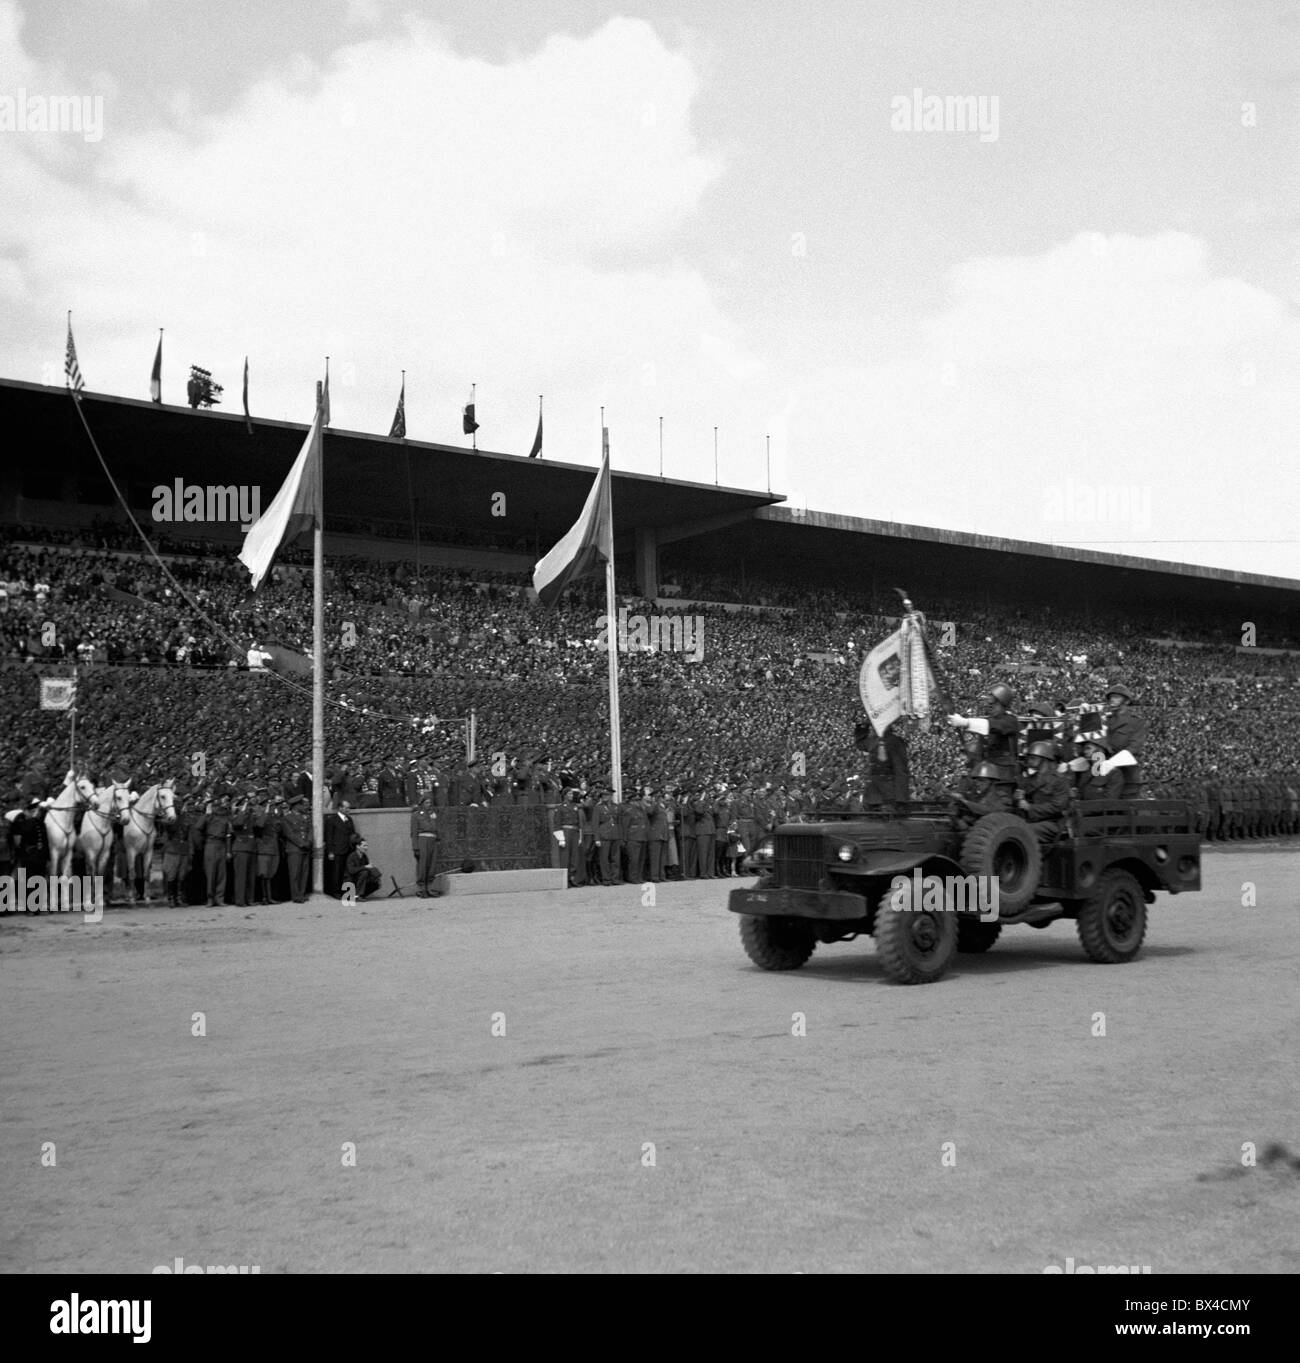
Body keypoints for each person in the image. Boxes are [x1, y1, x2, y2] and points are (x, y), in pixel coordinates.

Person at [947, 683, 1020, 788]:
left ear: (1003, 704)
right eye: (989, 705)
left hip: (1004, 778)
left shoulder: (1011, 721)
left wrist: (965, 722)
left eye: (994, 705)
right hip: (987, 775)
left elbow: (993, 726)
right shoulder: (989, 721)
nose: (990, 707)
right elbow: (980, 753)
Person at [1014, 741, 1071, 847]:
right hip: (1031, 820)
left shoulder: (1060, 780)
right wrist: (1017, 797)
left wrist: (1029, 808)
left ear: (1044, 759)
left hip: (1052, 824)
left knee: (1022, 832)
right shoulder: (1029, 779)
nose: (1029, 761)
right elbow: (1020, 801)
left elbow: (1057, 807)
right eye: (1029, 757)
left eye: (1033, 758)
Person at [1100, 683, 1147, 798]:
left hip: (1128, 778)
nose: (1112, 700)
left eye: (1116, 697)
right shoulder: (1105, 721)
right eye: (1111, 697)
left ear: (1126, 701)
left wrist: (1112, 762)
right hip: (1107, 778)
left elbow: (1134, 748)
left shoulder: (1136, 722)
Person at [161, 796, 193, 906]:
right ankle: (171, 898)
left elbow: (189, 832)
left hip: (183, 848)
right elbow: (170, 829)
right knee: (172, 875)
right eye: (177, 805)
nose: (179, 807)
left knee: (182, 875)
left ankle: (179, 897)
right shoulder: (170, 818)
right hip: (172, 849)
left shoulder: (186, 817)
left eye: (181, 805)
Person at [281, 794, 313, 902]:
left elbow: (310, 830)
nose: (304, 807)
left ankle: (302, 893)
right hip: (294, 848)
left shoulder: (306, 817)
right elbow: (289, 834)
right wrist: (301, 843)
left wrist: (309, 841)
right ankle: (296, 895)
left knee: (304, 873)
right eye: (301, 804)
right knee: (295, 873)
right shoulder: (287, 818)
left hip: (305, 847)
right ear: (295, 806)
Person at [324, 800, 357, 896]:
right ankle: (335, 891)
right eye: (346, 807)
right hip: (337, 850)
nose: (348, 809)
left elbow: (352, 835)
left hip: (348, 849)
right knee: (336, 872)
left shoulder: (349, 819)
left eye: (348, 807)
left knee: (346, 872)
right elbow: (329, 837)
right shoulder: (331, 820)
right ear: (340, 808)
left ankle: (345, 891)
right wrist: (330, 851)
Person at [410, 795, 440, 897]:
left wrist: (438, 839)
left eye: (430, 803)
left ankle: (430, 887)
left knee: (432, 864)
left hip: (433, 840)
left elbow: (436, 827)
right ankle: (422, 888)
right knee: (422, 865)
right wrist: (415, 847)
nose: (429, 805)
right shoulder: (416, 815)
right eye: (426, 803)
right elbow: (413, 832)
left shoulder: (433, 814)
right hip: (422, 840)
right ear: (422, 803)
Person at [343, 833, 381, 900]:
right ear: (358, 846)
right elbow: (351, 870)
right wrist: (365, 867)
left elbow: (366, 868)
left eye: (367, 846)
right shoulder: (351, 856)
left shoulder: (364, 857)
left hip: (358, 880)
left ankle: (359, 895)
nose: (366, 848)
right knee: (364, 872)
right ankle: (356, 896)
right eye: (364, 846)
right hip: (350, 881)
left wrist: (374, 875)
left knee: (376, 883)